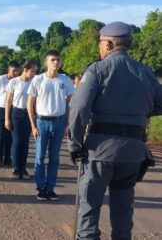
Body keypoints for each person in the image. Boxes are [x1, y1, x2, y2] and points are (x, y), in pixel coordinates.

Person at [68, 22, 162, 240]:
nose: (100, 48)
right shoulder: (146, 72)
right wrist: (140, 113)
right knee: (123, 209)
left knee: (89, 207)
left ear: (108, 44)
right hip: (133, 154)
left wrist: (75, 145)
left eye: (101, 43)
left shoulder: (97, 70)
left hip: (100, 151)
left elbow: (78, 108)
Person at [27, 50, 74, 201]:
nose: (56, 63)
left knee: (54, 157)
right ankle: (40, 187)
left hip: (59, 122)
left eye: (58, 60)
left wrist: (68, 124)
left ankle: (50, 188)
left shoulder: (65, 80)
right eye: (53, 60)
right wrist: (33, 125)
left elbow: (70, 104)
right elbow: (30, 103)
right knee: (40, 157)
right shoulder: (38, 79)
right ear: (46, 62)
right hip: (42, 122)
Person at [5, 61, 37, 179]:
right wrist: (7, 118)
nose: (34, 73)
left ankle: (23, 168)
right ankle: (15, 167)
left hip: (29, 114)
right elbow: (8, 101)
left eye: (35, 71)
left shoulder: (34, 83)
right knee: (17, 141)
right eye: (32, 70)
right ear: (25, 70)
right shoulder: (14, 82)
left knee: (25, 142)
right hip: (17, 113)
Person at [0, 61, 20, 166]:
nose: (16, 73)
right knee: (0, 136)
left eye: (17, 71)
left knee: (10, 137)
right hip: (1, 109)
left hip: (13, 110)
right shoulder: (0, 79)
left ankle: (8, 158)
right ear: (9, 70)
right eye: (13, 71)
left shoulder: (18, 81)